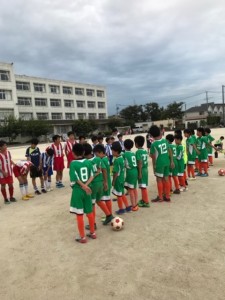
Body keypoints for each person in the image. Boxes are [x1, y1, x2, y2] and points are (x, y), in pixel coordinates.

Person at [69, 143, 96, 244]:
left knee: (79, 214)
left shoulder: (73, 163)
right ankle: (92, 233)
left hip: (78, 191)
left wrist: (83, 186)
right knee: (89, 212)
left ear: (73, 153)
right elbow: (92, 175)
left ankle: (83, 237)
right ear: (84, 152)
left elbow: (74, 178)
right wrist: (86, 186)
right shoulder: (88, 162)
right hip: (88, 190)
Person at [83, 143, 113, 228]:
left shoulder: (86, 162)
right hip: (100, 183)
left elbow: (89, 176)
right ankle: (109, 215)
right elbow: (104, 170)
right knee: (99, 200)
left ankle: (93, 224)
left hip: (93, 185)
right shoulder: (98, 159)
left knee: (91, 204)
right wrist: (105, 182)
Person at [149, 125, 174, 202]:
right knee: (166, 179)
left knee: (159, 180)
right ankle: (167, 196)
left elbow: (153, 157)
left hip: (159, 164)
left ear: (151, 135)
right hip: (167, 162)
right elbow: (170, 151)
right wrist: (172, 161)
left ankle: (160, 197)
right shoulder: (165, 141)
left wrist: (154, 167)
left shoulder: (153, 144)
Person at [93, 144, 114, 224]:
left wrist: (104, 182)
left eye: (96, 154)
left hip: (105, 181)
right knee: (107, 198)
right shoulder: (106, 158)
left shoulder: (102, 160)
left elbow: (104, 170)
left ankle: (109, 215)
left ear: (101, 152)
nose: (96, 156)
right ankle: (109, 214)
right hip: (107, 180)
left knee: (104, 199)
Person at [111, 141, 131, 214]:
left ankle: (121, 209)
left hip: (118, 180)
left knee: (118, 195)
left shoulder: (116, 160)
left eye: (112, 151)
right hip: (122, 178)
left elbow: (116, 172)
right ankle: (127, 207)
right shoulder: (121, 158)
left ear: (116, 152)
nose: (111, 152)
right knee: (122, 194)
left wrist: (113, 181)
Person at [134, 135, 150, 207]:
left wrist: (139, 172)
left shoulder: (138, 152)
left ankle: (146, 202)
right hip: (145, 169)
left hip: (142, 170)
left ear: (136, 144)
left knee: (143, 187)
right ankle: (144, 199)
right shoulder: (145, 151)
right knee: (143, 186)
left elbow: (139, 162)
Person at [123, 139, 139, 211]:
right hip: (135, 171)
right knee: (134, 188)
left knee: (131, 189)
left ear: (124, 146)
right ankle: (135, 203)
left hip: (130, 172)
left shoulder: (124, 154)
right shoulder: (133, 153)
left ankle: (134, 205)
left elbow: (123, 164)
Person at [0, 140, 16, 204]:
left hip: (9, 172)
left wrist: (14, 164)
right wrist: (3, 172)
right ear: (0, 147)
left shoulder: (8, 152)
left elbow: (9, 159)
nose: (6, 146)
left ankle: (11, 197)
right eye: (4, 146)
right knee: (3, 185)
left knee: (11, 185)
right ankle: (5, 199)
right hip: (1, 173)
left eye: (6, 145)